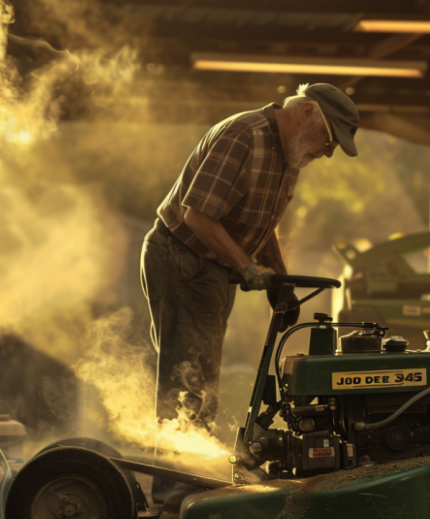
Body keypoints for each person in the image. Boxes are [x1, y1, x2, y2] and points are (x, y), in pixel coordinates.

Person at [140, 83, 359, 433]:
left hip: (211, 267)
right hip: (183, 258)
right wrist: (247, 267)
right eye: (329, 141)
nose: (327, 153)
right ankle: (176, 484)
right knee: (188, 378)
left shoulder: (291, 154)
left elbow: (261, 224)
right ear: (306, 115)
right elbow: (196, 214)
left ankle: (186, 476)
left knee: (203, 371)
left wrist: (281, 281)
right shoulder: (244, 135)